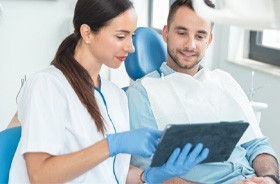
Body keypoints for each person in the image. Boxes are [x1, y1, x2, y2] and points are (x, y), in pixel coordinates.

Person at [8, 0, 210, 183]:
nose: (131, 47)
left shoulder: (116, 96)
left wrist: (151, 176)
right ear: (87, 33)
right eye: (121, 36)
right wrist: (113, 145)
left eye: (131, 36)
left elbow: (116, 172)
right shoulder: (48, 86)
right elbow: (40, 176)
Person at [126, 0, 279, 184]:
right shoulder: (143, 92)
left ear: (209, 40)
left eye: (200, 36)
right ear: (166, 33)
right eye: (182, 33)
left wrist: (269, 178)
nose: (190, 45)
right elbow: (149, 172)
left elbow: (257, 144)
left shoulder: (224, 80)